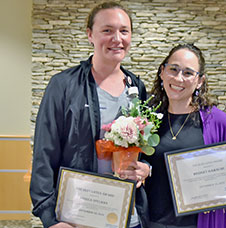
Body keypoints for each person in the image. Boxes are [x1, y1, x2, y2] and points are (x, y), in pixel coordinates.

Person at [30, 2, 151, 228]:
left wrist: (145, 170)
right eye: (107, 30)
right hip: (79, 217)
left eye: (124, 31)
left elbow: (144, 152)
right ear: (90, 35)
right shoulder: (64, 85)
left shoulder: (137, 88)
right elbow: (44, 154)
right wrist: (49, 217)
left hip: (128, 217)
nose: (117, 38)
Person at [140, 43, 226, 228]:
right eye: (173, 69)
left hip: (199, 223)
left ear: (200, 80)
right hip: (150, 222)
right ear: (162, 72)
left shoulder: (219, 122)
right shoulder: (146, 119)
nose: (179, 78)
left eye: (188, 73)